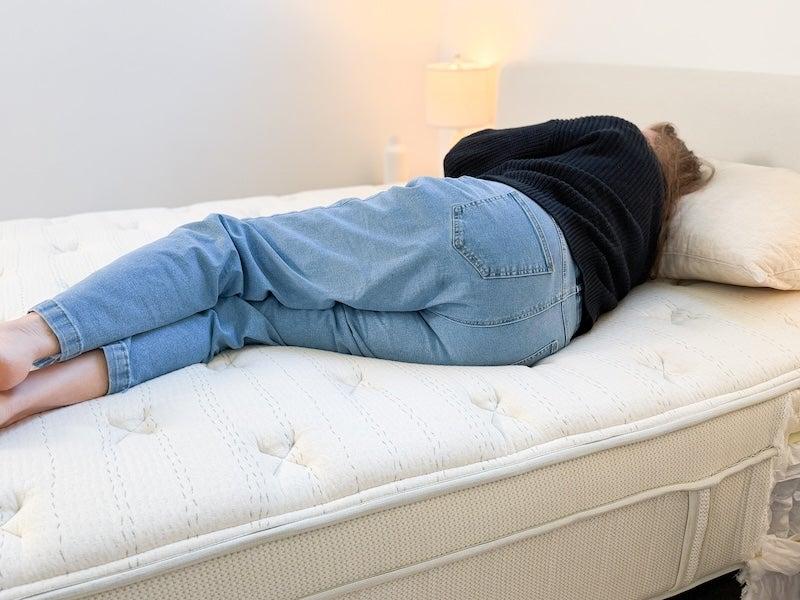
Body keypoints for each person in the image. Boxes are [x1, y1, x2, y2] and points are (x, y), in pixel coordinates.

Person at [0, 116, 713, 428]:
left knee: (231, 250)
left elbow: (467, 153)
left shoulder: (618, 136)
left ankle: (32, 336)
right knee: (240, 318)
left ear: (651, 139)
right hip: (526, 333)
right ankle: (31, 397)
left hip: (501, 230)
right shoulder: (645, 242)